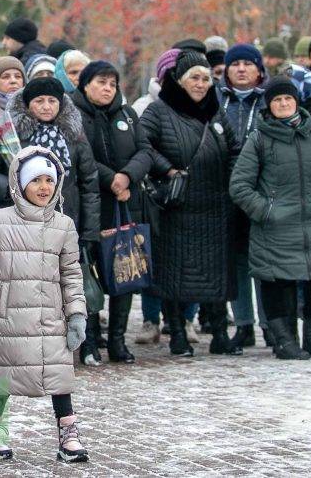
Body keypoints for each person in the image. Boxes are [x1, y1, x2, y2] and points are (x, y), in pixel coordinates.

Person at [0, 147, 88, 463]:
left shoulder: (64, 226)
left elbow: (71, 273)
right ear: (20, 183)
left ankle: (68, 434)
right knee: (1, 377)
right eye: (35, 180)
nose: (43, 187)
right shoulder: (1, 220)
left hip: (52, 316)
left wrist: (77, 313)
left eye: (48, 180)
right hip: (9, 317)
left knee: (59, 375)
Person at [0, 77, 101, 364]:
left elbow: (90, 184)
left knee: (70, 286)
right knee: (24, 291)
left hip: (65, 224)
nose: (46, 107)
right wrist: (15, 189)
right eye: (39, 101)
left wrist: (89, 231)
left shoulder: (74, 135)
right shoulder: (10, 134)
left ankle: (85, 345)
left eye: (52, 101)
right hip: (22, 227)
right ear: (27, 104)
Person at [229, 77, 311, 360]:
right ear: (269, 105)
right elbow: (239, 186)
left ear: (296, 101)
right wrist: (266, 211)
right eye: (277, 100)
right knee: (279, 285)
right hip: (274, 227)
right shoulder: (259, 138)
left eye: (287, 99)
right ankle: (284, 341)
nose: (283, 104)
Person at [139, 51, 240, 357]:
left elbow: (235, 148)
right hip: (177, 206)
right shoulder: (158, 112)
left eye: (206, 79)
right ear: (179, 81)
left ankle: (220, 332)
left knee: (217, 273)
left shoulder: (216, 113)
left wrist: (234, 177)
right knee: (174, 274)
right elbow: (141, 144)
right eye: (194, 78)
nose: (200, 84)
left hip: (215, 206)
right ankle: (177, 333)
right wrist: (167, 169)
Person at [73, 61, 155, 364]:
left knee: (126, 269)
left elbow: (146, 150)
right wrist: (112, 179)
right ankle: (90, 341)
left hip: (126, 205)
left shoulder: (127, 114)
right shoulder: (74, 115)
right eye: (100, 82)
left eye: (112, 83)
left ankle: (118, 341)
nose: (107, 89)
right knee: (89, 274)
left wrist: (128, 176)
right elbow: (81, 157)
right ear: (85, 84)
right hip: (91, 207)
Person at [217, 44, 268, 349]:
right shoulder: (216, 101)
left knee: (261, 259)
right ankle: (244, 323)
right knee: (236, 262)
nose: (240, 69)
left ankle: (267, 323)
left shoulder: (267, 102)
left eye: (247, 64)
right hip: (224, 189)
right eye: (234, 64)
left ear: (258, 70)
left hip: (260, 190)